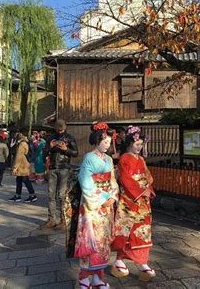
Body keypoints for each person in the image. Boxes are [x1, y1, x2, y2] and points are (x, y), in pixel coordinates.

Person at [71, 122, 118, 289]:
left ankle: (98, 278)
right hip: (93, 206)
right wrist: (102, 198)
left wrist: (112, 196)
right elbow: (85, 181)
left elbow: (112, 180)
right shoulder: (88, 158)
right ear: (97, 140)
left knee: (104, 241)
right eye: (105, 142)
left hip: (106, 205)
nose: (107, 145)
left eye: (109, 142)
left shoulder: (109, 160)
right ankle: (84, 278)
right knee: (91, 240)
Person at [112, 126, 156, 282]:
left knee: (143, 229)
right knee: (129, 230)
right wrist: (139, 191)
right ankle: (129, 261)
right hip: (130, 200)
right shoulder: (124, 159)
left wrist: (148, 188)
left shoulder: (141, 159)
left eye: (141, 145)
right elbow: (125, 179)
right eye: (137, 145)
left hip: (142, 201)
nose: (139, 147)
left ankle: (136, 261)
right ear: (130, 143)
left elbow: (147, 177)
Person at [41, 119, 78, 229]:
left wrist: (66, 149)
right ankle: (51, 219)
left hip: (64, 168)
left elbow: (76, 153)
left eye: (61, 129)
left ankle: (63, 219)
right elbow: (43, 155)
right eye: (58, 129)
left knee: (62, 195)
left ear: (65, 128)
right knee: (51, 195)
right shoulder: (50, 138)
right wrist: (50, 148)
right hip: (53, 168)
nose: (60, 132)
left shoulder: (70, 138)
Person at [8, 128, 37, 203]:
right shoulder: (25, 142)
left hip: (22, 165)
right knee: (19, 180)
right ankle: (18, 195)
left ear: (21, 134)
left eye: (18, 133)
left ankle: (32, 195)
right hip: (24, 165)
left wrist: (15, 168)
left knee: (25, 180)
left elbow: (19, 156)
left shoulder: (22, 144)